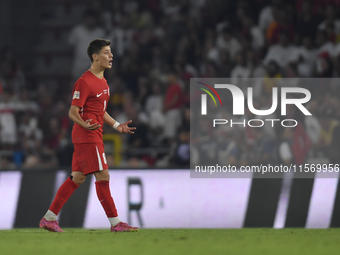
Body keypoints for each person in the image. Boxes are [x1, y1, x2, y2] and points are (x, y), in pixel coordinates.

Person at [39, 39, 138, 232]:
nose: (111, 56)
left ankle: (49, 218)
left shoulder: (103, 82)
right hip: (87, 135)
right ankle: (116, 224)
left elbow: (100, 111)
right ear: (95, 56)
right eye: (106, 52)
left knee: (77, 177)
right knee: (103, 175)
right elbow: (73, 111)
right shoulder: (84, 82)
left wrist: (117, 126)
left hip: (92, 134)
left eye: (111, 53)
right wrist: (85, 124)